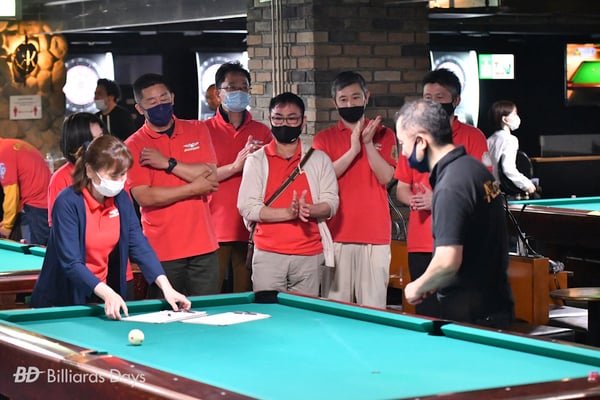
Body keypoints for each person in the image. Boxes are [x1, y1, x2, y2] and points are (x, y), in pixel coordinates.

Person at [31, 135, 191, 319]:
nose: (120, 181)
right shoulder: (67, 202)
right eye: (114, 175)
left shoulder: (121, 199)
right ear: (90, 171)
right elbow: (71, 263)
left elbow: (139, 245)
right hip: (63, 301)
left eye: (123, 174)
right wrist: (108, 293)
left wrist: (166, 287)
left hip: (101, 295)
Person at [396, 99, 514, 329]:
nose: (403, 152)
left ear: (421, 141)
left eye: (403, 143)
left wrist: (416, 287)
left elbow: (448, 262)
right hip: (493, 304)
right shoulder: (473, 169)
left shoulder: (450, 185)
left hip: (472, 316)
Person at [394, 68, 491, 317]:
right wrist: (414, 200)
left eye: (440, 97)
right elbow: (402, 189)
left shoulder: (473, 137)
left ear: (456, 101)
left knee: (461, 317)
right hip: (421, 244)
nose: (433, 103)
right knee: (427, 316)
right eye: (428, 98)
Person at [125, 73, 220, 297]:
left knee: (208, 310)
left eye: (164, 98)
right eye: (152, 102)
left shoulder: (197, 129)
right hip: (162, 251)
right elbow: (145, 197)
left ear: (173, 98)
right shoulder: (133, 145)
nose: (160, 105)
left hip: (204, 246)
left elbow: (211, 175)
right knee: (165, 311)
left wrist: (167, 163)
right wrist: (194, 188)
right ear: (140, 108)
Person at [238, 92, 338, 296]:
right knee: (267, 311)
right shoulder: (256, 160)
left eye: (292, 118)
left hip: (309, 255)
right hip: (268, 254)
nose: (284, 124)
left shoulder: (319, 159)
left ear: (303, 121)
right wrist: (289, 213)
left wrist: (309, 209)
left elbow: (332, 203)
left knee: (303, 314)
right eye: (278, 118)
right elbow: (247, 207)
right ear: (270, 119)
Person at [313, 71, 397, 309]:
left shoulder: (384, 134)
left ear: (366, 97)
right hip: (336, 234)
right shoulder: (324, 139)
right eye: (343, 99)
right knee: (335, 311)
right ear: (335, 103)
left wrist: (367, 143)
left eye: (355, 97)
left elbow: (386, 177)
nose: (350, 104)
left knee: (374, 309)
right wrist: (352, 151)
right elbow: (322, 178)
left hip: (375, 235)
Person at [204, 62, 272, 293]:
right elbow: (200, 177)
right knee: (210, 291)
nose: (239, 92)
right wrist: (236, 166)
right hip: (214, 225)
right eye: (232, 87)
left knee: (246, 291)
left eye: (244, 87)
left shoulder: (262, 131)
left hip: (250, 226)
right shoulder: (203, 130)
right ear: (218, 93)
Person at [48, 112, 107, 226]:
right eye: (93, 140)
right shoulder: (61, 178)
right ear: (76, 144)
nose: (100, 145)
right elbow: (58, 225)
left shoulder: (113, 170)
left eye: (101, 137)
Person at [0, 138, 51, 245]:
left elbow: (11, 195)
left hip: (35, 208)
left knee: (32, 249)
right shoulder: (9, 145)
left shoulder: (3, 153)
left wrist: (6, 226)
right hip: (43, 203)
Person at [487, 100, 537, 197]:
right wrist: (527, 185)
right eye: (514, 114)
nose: (517, 117)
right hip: (504, 192)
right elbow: (508, 169)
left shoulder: (489, 140)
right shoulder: (510, 140)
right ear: (504, 119)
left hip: (490, 191)